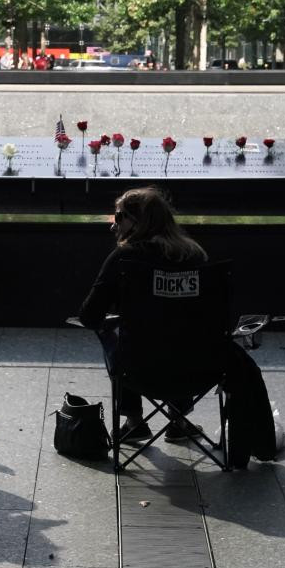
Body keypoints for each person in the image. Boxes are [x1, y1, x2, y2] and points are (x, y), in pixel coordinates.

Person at [79, 187, 209, 442]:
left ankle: (134, 420)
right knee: (182, 331)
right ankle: (179, 420)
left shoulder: (124, 258)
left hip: (139, 369)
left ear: (137, 222)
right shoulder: (196, 255)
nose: (113, 226)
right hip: (199, 367)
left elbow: (89, 315)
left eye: (118, 217)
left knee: (111, 330)